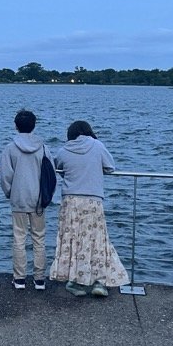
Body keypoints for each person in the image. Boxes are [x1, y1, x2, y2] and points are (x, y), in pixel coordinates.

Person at [49, 120, 129, 297]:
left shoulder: (64, 150)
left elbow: (57, 167)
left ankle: (73, 280)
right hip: (93, 200)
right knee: (96, 240)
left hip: (70, 200)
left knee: (72, 240)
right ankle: (99, 282)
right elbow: (110, 167)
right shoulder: (98, 146)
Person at [0, 109, 51, 291]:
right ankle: (39, 279)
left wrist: (10, 193)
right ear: (34, 125)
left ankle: (19, 278)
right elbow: (50, 174)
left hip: (19, 198)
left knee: (19, 238)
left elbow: (6, 176)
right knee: (39, 238)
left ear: (16, 126)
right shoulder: (43, 147)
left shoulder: (10, 148)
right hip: (38, 199)